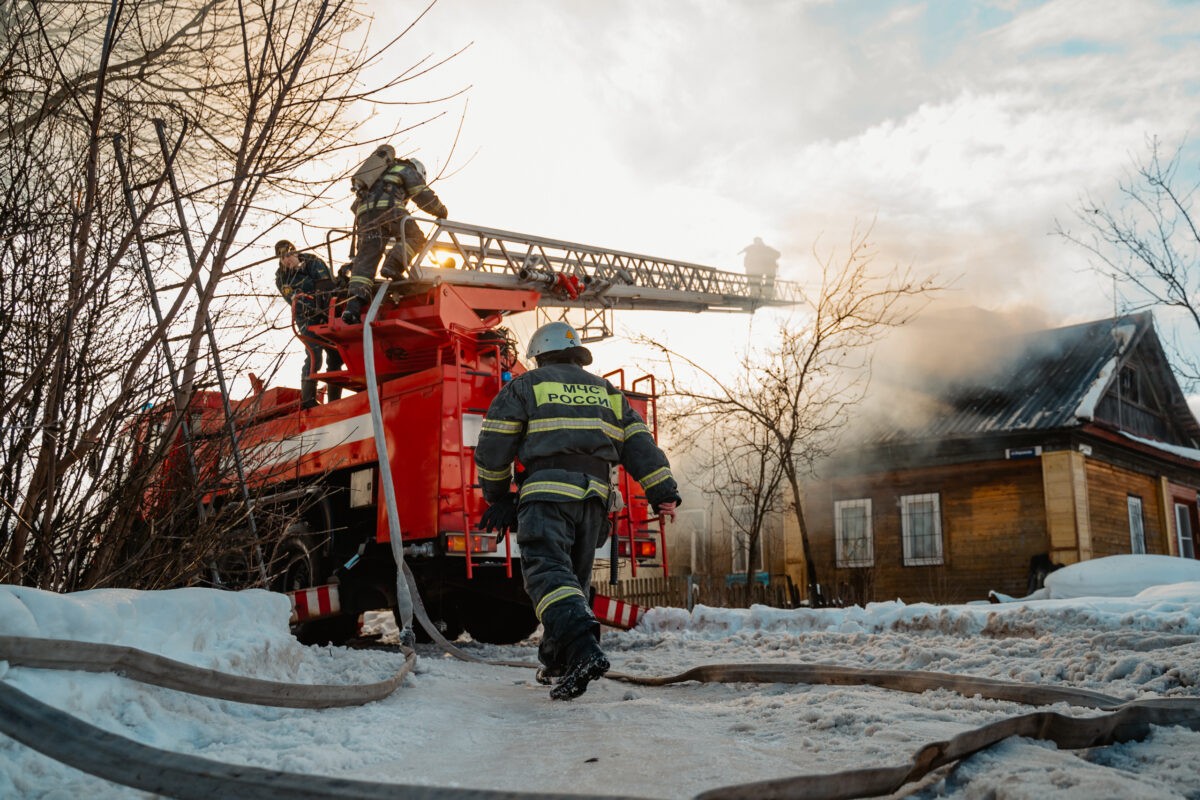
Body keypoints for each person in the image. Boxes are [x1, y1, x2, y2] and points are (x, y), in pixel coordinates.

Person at [474, 322, 681, 700]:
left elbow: (493, 447)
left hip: (546, 495)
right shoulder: (607, 392)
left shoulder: (524, 386)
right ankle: (558, 662)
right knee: (572, 584)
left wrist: (498, 495)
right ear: (578, 355)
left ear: (539, 355)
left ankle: (584, 651)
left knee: (548, 574)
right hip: (595, 503)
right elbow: (640, 445)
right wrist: (663, 491)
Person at [341, 152, 449, 324]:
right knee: (416, 237)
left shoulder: (377, 175)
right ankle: (393, 265)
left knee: (366, 260)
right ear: (420, 172)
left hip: (365, 216)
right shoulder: (406, 170)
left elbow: (355, 206)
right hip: (390, 210)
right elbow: (422, 195)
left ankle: (352, 308)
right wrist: (440, 211)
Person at [274, 240, 344, 409]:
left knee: (336, 355)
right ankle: (308, 400)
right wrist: (313, 306)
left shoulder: (314, 263)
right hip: (306, 317)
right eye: (283, 257)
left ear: (296, 252)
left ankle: (334, 400)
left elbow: (327, 285)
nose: (287, 260)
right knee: (314, 354)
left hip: (328, 311)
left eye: (289, 255)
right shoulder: (282, 278)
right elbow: (295, 301)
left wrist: (327, 307)